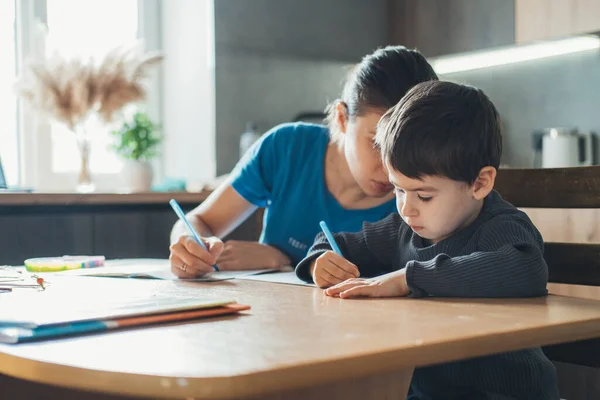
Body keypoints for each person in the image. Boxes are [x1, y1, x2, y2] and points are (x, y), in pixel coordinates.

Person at [295, 80, 559, 399]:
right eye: (399, 190)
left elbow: (526, 268)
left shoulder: (501, 226)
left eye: (423, 195)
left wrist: (409, 278)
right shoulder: (404, 227)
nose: (407, 208)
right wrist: (319, 261)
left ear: (480, 183)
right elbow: (335, 240)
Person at [169, 46, 438, 278]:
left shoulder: (428, 192)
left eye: (408, 146)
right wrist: (189, 244)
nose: (392, 167)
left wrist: (284, 260)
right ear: (343, 119)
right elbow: (201, 219)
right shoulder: (286, 148)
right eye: (377, 143)